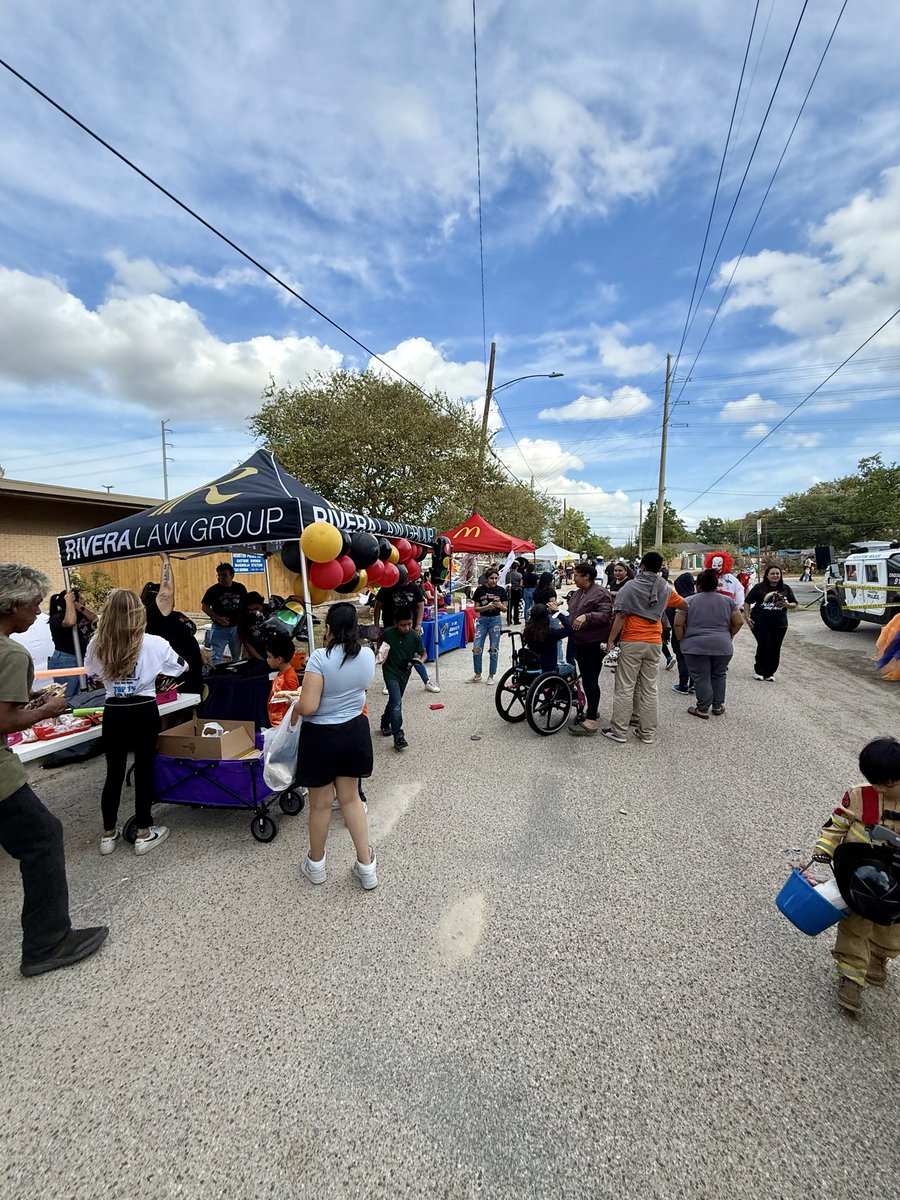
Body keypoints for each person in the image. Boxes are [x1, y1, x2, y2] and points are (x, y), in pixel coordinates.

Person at [0, 564, 109, 978]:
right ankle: (47, 943)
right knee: (43, 837)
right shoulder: (11, 653)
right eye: (33, 603)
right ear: (12, 605)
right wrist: (48, 709)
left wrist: (26, 696)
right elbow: (3, 720)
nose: (38, 611)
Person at [84, 589, 187, 856]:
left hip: (114, 710)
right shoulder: (154, 643)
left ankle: (108, 833)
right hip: (144, 708)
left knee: (114, 772)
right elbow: (181, 667)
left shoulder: (97, 643)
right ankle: (143, 830)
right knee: (144, 769)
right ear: (139, 612)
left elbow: (92, 674)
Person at [811, 737, 900, 1014]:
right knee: (854, 925)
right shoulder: (859, 795)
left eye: (888, 784)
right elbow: (838, 823)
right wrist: (824, 848)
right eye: (875, 782)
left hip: (896, 884)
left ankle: (878, 956)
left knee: (891, 928)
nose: (880, 789)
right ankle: (850, 977)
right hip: (859, 879)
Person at [293, 602, 377, 890]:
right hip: (354, 731)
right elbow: (361, 689)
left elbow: (309, 706)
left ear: (328, 628)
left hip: (321, 737)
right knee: (351, 800)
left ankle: (316, 865)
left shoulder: (319, 658)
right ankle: (366, 866)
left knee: (320, 805)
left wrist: (296, 704)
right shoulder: (367, 655)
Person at [602, 551, 685, 745]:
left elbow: (621, 615)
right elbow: (684, 604)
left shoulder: (630, 586)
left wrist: (611, 640)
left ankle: (619, 731)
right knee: (649, 688)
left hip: (632, 641)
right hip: (655, 642)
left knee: (625, 687)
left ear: (642, 567)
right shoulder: (664, 588)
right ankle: (647, 733)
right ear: (660, 568)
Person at [673, 568, 744, 718]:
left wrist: (682, 639)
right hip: (722, 645)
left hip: (695, 645)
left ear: (698, 585)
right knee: (719, 674)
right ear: (716, 585)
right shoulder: (728, 601)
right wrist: (728, 635)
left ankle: (703, 708)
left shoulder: (687, 602)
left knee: (701, 676)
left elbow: (678, 624)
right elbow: (738, 621)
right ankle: (717, 706)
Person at [140, 552, 204, 696]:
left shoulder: (175, 615)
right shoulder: (153, 615)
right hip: (174, 677)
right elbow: (166, 591)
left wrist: (200, 654)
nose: (172, 599)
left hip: (192, 670)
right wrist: (165, 561)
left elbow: (187, 636)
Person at [565, 561, 613, 737]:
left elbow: (607, 615)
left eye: (577, 575)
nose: (574, 578)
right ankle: (592, 708)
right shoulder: (578, 593)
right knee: (586, 678)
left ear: (587, 577)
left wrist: (587, 616)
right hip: (579, 640)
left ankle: (591, 720)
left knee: (591, 679)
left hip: (594, 642)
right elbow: (572, 613)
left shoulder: (600, 593)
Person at [373, 573, 436, 692]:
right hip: (391, 628)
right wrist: (376, 626)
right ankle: (389, 682)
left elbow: (421, 605)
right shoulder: (387, 587)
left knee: (415, 655)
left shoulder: (413, 587)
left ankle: (426, 681)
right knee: (389, 655)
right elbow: (377, 607)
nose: (406, 582)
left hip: (410, 628)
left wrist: (418, 624)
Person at [377, 606, 426, 751]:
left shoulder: (415, 636)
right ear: (395, 623)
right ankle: (398, 735)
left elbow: (423, 653)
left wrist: (420, 661)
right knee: (397, 702)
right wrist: (379, 655)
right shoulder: (388, 633)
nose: (406, 628)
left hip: (405, 673)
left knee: (394, 701)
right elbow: (381, 650)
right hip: (390, 671)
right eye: (402, 625)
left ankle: (385, 720)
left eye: (409, 624)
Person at [743, 563, 798, 681]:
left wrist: (787, 605)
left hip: (780, 624)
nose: (775, 575)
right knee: (765, 644)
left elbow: (794, 603)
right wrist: (747, 617)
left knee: (775, 647)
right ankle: (759, 671)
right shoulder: (759, 587)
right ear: (767, 575)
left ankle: (770, 673)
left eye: (777, 573)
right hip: (760, 622)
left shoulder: (786, 588)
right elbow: (747, 602)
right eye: (772, 573)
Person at [47, 587, 97, 699]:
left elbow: (95, 619)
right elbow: (70, 622)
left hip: (81, 657)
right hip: (66, 659)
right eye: (81, 598)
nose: (84, 600)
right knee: (67, 695)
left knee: (81, 694)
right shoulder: (58, 617)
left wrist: (79, 607)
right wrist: (70, 602)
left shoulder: (81, 614)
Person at [201, 562, 248, 665]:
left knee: (237, 656)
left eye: (225, 575)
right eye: (219, 575)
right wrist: (218, 618)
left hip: (236, 627)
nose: (221, 578)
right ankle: (217, 673)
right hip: (219, 627)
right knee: (216, 656)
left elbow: (246, 605)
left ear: (232, 576)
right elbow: (205, 607)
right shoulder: (213, 590)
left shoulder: (240, 588)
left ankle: (236, 673)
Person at [469, 568, 507, 684]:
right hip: (482, 620)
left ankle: (491, 675)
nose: (494, 580)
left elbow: (505, 609)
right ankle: (478, 674)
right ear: (486, 579)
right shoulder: (480, 590)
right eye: (491, 578)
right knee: (477, 648)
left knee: (494, 648)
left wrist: (499, 605)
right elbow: (476, 608)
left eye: (496, 578)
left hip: (495, 620)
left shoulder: (501, 590)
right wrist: (488, 607)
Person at [522, 602, 574, 676]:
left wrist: (534, 613)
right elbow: (569, 629)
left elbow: (534, 620)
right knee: (571, 667)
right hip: (549, 669)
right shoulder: (550, 634)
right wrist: (557, 613)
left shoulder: (528, 631)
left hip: (535, 666)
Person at [669, 571, 696, 695]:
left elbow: (672, 620)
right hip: (696, 634)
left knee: (682, 658)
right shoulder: (698, 599)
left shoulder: (677, 600)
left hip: (679, 634)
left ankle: (683, 684)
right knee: (695, 659)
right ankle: (694, 684)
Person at [265, 631, 300, 728]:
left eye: (269, 657)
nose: (267, 660)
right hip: (277, 722)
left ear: (279, 659)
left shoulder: (289, 678)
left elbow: (291, 704)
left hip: (281, 724)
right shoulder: (282, 674)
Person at [236, 592, 268, 662]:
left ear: (262, 605)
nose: (254, 612)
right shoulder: (243, 619)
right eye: (250, 610)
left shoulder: (268, 612)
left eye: (257, 608)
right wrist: (260, 659)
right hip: (254, 652)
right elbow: (246, 642)